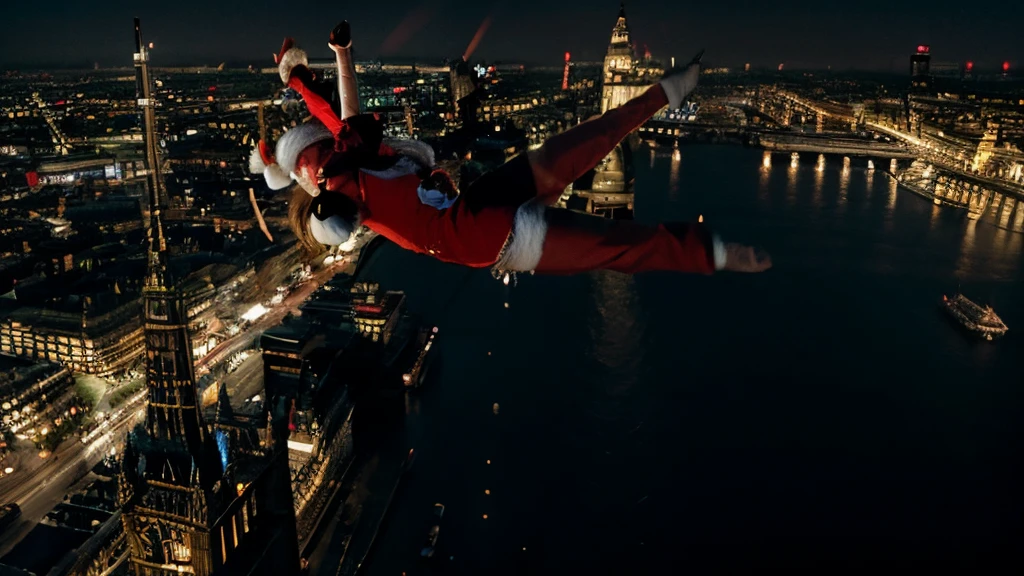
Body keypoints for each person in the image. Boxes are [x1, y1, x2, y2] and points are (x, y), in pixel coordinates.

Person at [249, 26, 772, 278]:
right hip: (485, 238)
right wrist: (326, 216)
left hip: (477, 201)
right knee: (614, 243)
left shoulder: (357, 159)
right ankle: (714, 253)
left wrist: (332, 61)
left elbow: (339, 115)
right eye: (305, 167)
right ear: (305, 180)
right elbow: (336, 220)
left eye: (312, 153)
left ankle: (668, 90)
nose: (314, 163)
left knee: (585, 140)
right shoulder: (339, 192)